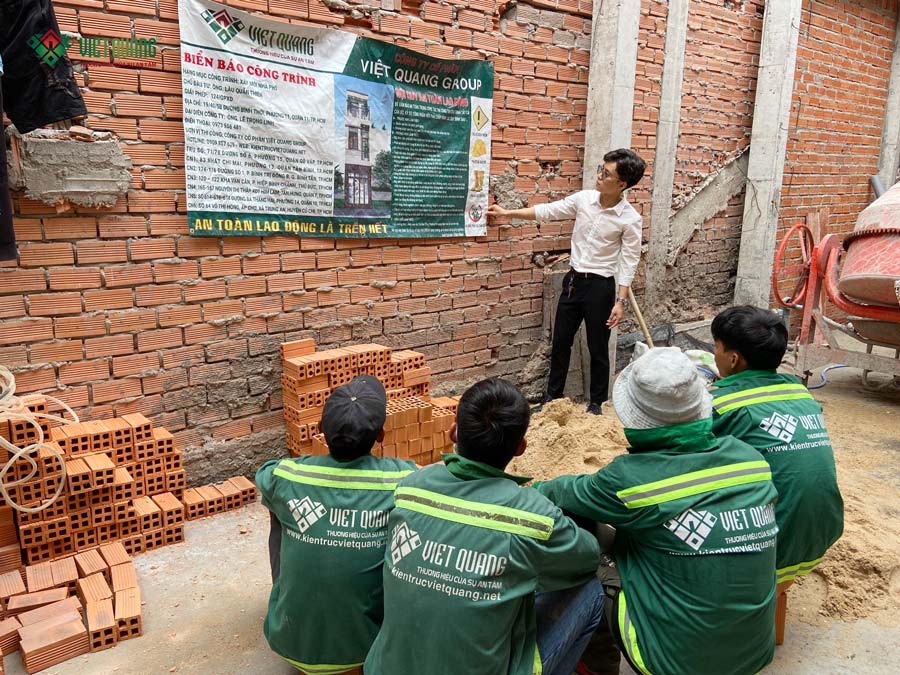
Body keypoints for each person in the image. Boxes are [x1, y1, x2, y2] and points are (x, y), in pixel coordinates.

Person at [535, 348, 778, 675]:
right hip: (754, 650)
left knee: (579, 534)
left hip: (672, 662)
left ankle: (596, 666)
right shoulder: (750, 459)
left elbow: (556, 493)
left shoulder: (628, 480)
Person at [364, 378, 603, 675]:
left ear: (454, 432)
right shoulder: (533, 516)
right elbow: (587, 558)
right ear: (521, 447)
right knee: (591, 591)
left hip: (384, 668)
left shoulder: (409, 488)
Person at [255, 375, 416, 675]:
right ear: (381, 435)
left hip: (291, 644)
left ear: (320, 428)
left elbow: (263, 475)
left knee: (279, 511)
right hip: (363, 652)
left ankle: (295, 607)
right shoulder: (403, 480)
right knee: (410, 527)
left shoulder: (286, 475)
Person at [488, 148, 646, 415]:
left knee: (598, 347)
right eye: (601, 169)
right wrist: (508, 213)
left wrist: (620, 301)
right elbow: (549, 210)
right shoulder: (584, 199)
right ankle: (552, 398)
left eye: (606, 174)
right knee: (561, 342)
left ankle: (596, 404)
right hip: (573, 283)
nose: (599, 176)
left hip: (600, 288)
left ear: (622, 184)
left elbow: (630, 260)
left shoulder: (630, 219)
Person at [710, 306, 843, 588]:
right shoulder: (800, 393)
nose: (713, 353)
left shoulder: (721, 404)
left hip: (771, 543)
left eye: (716, 346)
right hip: (821, 531)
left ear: (733, 359)